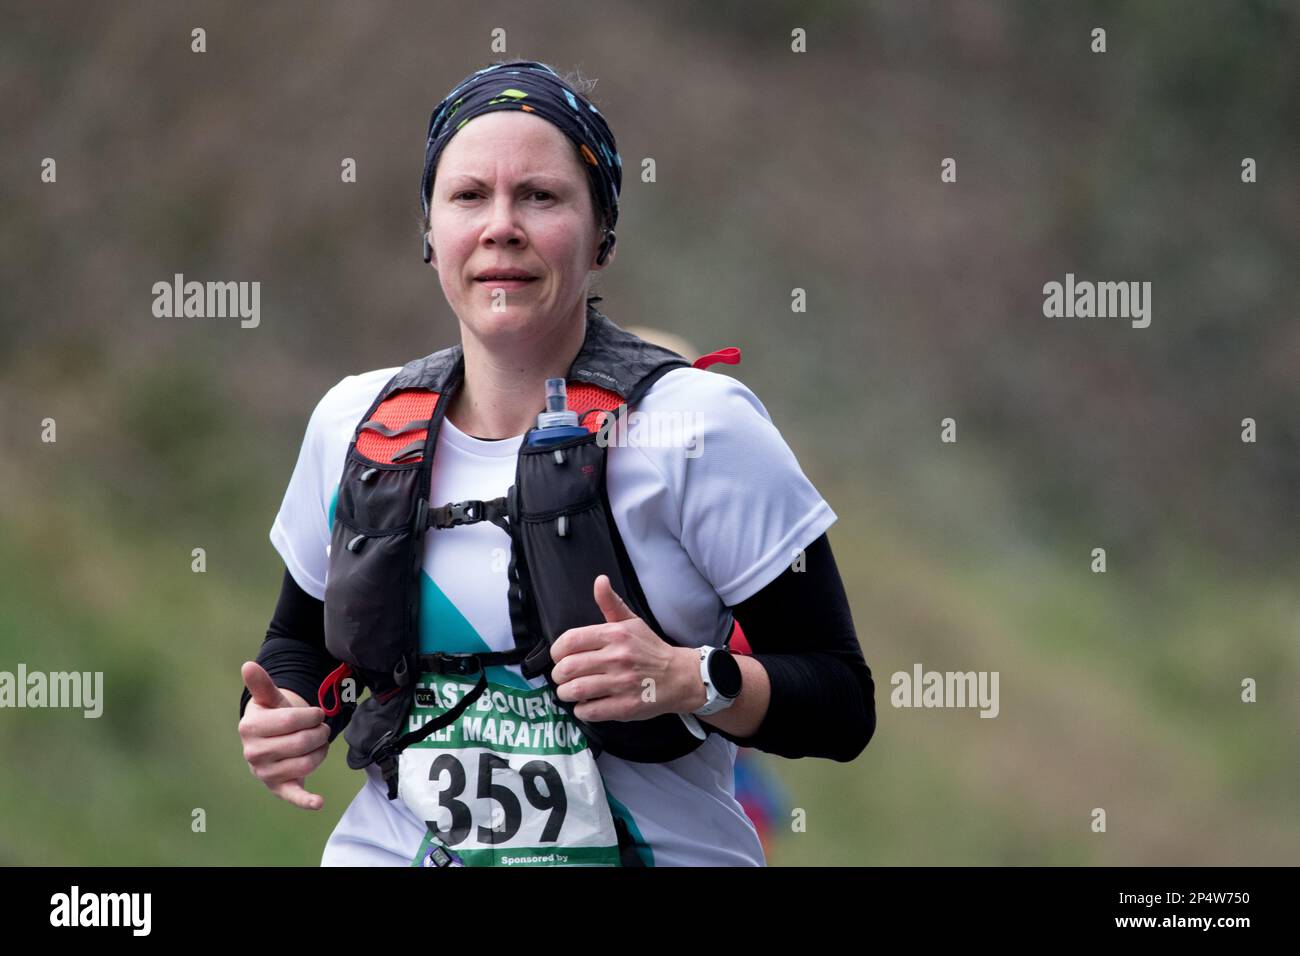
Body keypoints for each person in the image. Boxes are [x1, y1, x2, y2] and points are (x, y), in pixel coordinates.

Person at [237, 59, 875, 867]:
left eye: (540, 196)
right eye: (468, 196)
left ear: (602, 234)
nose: (501, 225)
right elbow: (299, 642)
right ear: (429, 235)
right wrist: (287, 716)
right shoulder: (354, 424)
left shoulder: (699, 427)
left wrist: (690, 679)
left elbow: (843, 704)